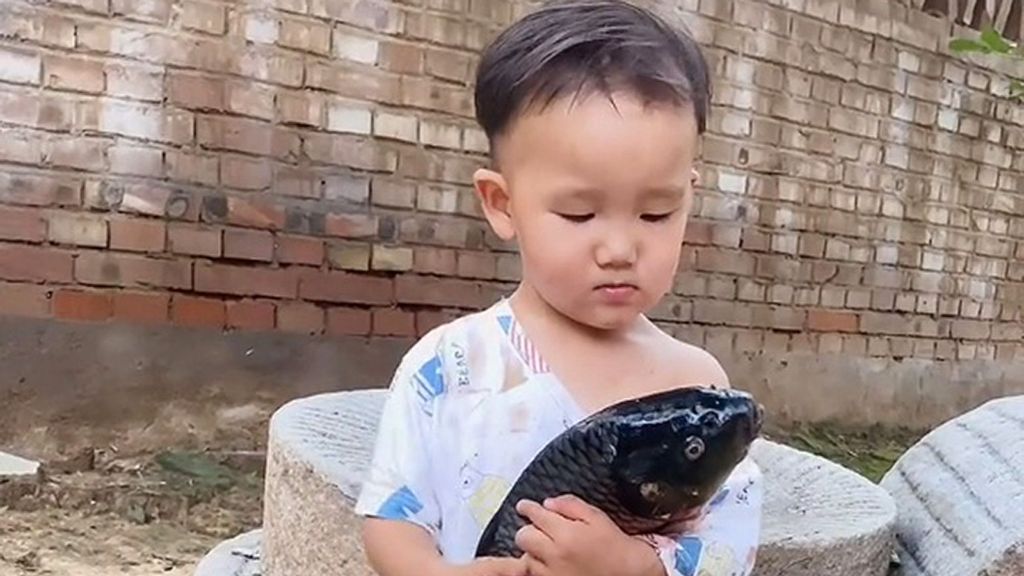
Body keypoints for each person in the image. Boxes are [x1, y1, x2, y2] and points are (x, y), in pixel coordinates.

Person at [353, 0, 764, 574]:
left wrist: (634, 565)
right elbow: (393, 518)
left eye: (656, 214)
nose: (620, 249)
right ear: (503, 204)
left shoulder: (696, 390)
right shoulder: (453, 367)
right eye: (577, 215)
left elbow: (730, 546)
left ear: (689, 196)